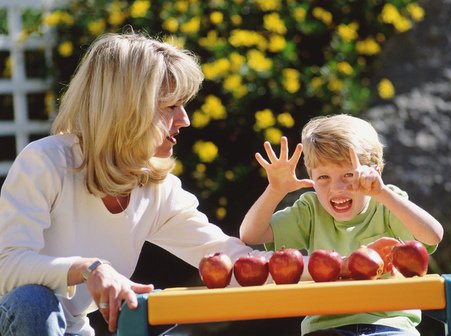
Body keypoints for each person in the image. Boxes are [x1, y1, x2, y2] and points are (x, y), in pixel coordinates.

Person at [0, 32, 270, 336]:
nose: (185, 120)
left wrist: (321, 265)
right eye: (170, 107)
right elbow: (6, 268)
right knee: (31, 301)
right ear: (127, 108)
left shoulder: (156, 187)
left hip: (73, 331)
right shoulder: (44, 162)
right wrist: (89, 268)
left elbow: (229, 257)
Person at [240, 114, 444, 336]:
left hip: (390, 326)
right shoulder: (310, 210)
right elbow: (251, 234)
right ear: (310, 177)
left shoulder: (387, 203)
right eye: (323, 177)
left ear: (376, 171)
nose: (336, 188)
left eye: (348, 175)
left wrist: (382, 193)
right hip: (326, 328)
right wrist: (275, 190)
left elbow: (432, 236)